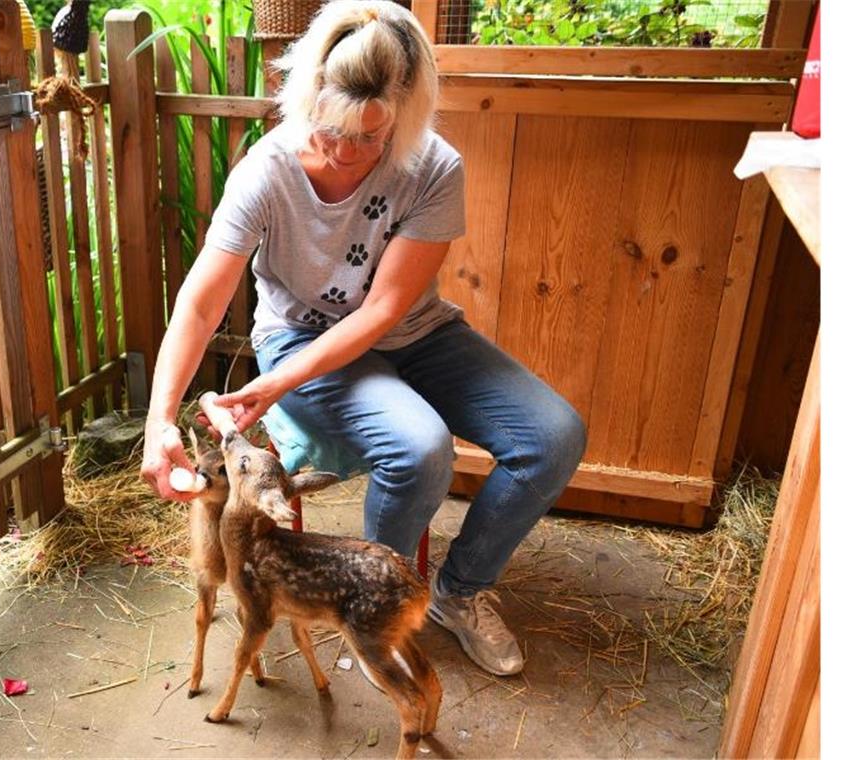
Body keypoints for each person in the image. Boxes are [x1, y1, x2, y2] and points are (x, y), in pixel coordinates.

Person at [141, 0, 586, 677]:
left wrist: (273, 391)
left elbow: (382, 312)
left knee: (553, 436)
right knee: (420, 448)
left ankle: (458, 594)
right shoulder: (268, 170)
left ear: (404, 119)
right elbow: (200, 305)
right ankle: (366, 599)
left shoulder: (435, 168)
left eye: (370, 138)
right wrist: (159, 420)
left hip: (411, 333)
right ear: (307, 99)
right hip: (300, 341)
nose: (344, 153)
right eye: (328, 131)